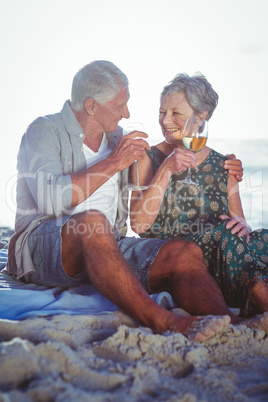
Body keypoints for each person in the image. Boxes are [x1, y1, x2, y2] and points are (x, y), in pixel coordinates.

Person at [5, 61, 253, 343]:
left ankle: (231, 324)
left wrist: (225, 167)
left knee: (184, 252)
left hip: (107, 244)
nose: (127, 113)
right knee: (93, 222)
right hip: (44, 246)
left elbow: (167, 157)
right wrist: (114, 162)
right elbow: (51, 200)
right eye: (120, 105)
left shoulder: (119, 139)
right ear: (91, 107)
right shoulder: (44, 131)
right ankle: (165, 321)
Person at [130, 72, 268, 318]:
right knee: (226, 236)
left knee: (263, 238)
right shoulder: (146, 158)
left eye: (175, 113)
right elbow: (139, 225)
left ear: (201, 115)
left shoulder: (225, 165)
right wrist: (166, 170)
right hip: (175, 255)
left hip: (221, 256)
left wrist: (242, 225)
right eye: (162, 112)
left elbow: (240, 224)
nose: (165, 120)